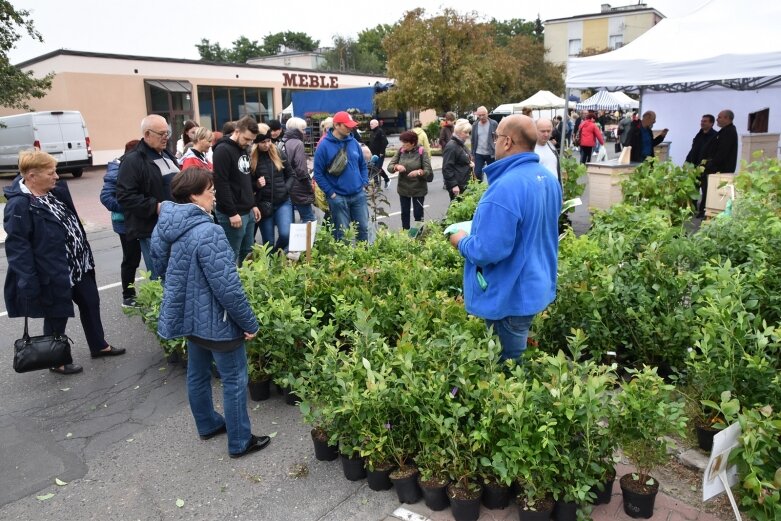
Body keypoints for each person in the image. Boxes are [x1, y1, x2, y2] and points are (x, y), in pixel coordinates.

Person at [151, 168, 270, 459]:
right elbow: (228, 288)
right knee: (234, 378)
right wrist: (248, 322)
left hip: (188, 315)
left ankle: (207, 424)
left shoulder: (164, 225)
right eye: (210, 190)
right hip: (218, 320)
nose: (214, 194)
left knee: (197, 374)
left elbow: (161, 268)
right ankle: (240, 440)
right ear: (193, 195)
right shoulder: (210, 232)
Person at [448, 115, 562, 363]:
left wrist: (459, 240)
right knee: (514, 356)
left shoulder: (505, 188)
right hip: (535, 284)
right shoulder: (548, 179)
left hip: (510, 293)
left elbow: (487, 251)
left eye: (496, 136)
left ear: (507, 141)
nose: (494, 141)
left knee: (507, 367)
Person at [4, 150, 126, 375]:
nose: (57, 177)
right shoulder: (19, 206)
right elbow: (18, 248)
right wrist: (29, 281)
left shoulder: (54, 192)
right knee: (57, 315)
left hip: (79, 265)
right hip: (53, 271)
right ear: (31, 176)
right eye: (50, 173)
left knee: (91, 303)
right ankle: (56, 359)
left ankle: (99, 345)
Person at [116, 114, 179, 279]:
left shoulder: (168, 155)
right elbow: (125, 196)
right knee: (161, 277)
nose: (166, 137)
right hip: (152, 229)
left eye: (167, 133)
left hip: (175, 225)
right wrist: (155, 206)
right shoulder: (133, 160)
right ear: (147, 135)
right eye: (161, 134)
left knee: (176, 275)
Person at [313, 111, 369, 242]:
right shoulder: (324, 146)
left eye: (352, 125)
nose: (351, 128)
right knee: (342, 234)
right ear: (337, 125)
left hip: (358, 195)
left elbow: (362, 164)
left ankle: (364, 259)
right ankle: (344, 261)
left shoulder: (353, 142)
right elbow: (318, 174)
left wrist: (364, 183)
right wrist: (331, 193)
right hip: (338, 197)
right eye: (347, 125)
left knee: (363, 229)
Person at [212, 115, 260, 266]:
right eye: (246, 139)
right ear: (237, 131)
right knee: (231, 255)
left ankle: (246, 287)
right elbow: (221, 183)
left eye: (252, 140)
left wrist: (253, 204)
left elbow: (244, 180)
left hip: (247, 210)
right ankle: (230, 288)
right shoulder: (222, 150)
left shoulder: (242, 148)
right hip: (232, 213)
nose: (249, 143)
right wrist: (232, 212)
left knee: (248, 253)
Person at [100, 139, 143, 308]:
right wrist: (130, 207)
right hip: (125, 224)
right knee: (131, 259)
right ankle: (128, 296)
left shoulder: (132, 166)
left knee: (140, 257)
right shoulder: (116, 171)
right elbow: (106, 198)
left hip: (139, 220)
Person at [252, 123, 294, 253]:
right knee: (268, 242)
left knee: (286, 234)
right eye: (263, 142)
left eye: (269, 141)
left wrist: (285, 189)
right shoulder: (251, 157)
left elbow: (291, 175)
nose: (267, 144)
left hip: (283, 202)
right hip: (264, 204)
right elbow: (247, 183)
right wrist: (257, 185)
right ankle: (270, 267)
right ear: (256, 143)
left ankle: (276, 254)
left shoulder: (278, 152)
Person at [387, 131, 433, 230]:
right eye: (402, 143)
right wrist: (396, 166)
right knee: (405, 213)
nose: (402, 145)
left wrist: (418, 172)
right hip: (403, 188)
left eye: (405, 143)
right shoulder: (401, 151)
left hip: (418, 189)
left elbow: (428, 170)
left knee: (418, 214)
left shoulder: (422, 151)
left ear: (413, 143)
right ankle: (406, 234)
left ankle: (418, 234)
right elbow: (389, 167)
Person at [698, 109, 739, 218]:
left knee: (716, 196)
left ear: (727, 118)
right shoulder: (725, 131)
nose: (717, 119)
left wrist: (710, 165)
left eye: (719, 117)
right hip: (716, 169)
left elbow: (722, 153)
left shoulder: (729, 132)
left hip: (720, 170)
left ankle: (715, 215)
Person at [282, 117, 316, 223]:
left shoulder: (282, 142)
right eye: (303, 129)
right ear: (297, 130)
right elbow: (301, 169)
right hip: (298, 187)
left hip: (285, 185)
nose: (305, 132)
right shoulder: (298, 143)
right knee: (309, 219)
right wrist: (309, 185)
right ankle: (307, 240)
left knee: (289, 223)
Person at [442, 119, 474, 201]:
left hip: (463, 184)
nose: (468, 135)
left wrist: (470, 163)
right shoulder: (452, 146)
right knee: (456, 210)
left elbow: (464, 159)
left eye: (468, 132)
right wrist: (454, 185)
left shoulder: (460, 144)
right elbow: (447, 168)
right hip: (458, 186)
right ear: (458, 132)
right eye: (465, 132)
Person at [471, 106, 498, 182]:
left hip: (491, 153)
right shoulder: (475, 125)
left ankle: (492, 188)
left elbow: (498, 137)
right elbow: (473, 140)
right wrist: (472, 154)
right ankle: (479, 190)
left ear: (487, 114)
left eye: (483, 115)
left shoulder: (493, 123)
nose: (481, 117)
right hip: (479, 153)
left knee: (492, 173)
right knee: (477, 173)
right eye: (479, 115)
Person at [367, 119, 390, 188]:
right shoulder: (372, 132)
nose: (370, 125)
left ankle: (377, 184)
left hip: (379, 154)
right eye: (370, 124)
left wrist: (382, 152)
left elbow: (385, 142)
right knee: (375, 168)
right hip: (373, 154)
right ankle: (386, 179)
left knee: (376, 168)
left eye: (372, 124)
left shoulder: (380, 131)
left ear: (376, 124)